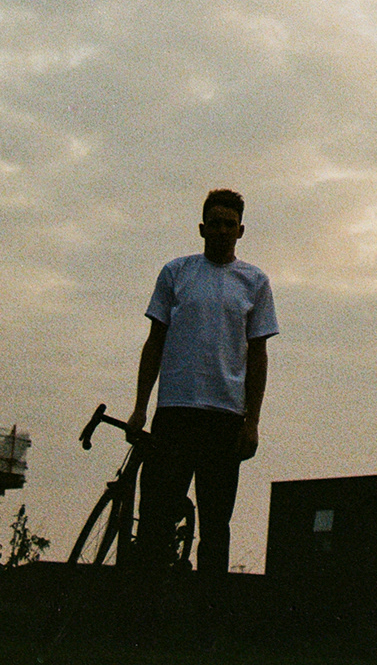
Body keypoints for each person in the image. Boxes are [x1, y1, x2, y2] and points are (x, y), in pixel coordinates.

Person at [128, 185, 278, 577]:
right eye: (215, 223)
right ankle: (146, 603)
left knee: (215, 523)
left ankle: (210, 608)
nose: (222, 231)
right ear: (202, 228)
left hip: (225, 417)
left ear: (240, 231)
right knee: (156, 517)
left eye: (230, 224)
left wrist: (252, 421)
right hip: (175, 411)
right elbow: (155, 342)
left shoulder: (255, 282)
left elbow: (258, 356)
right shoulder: (176, 272)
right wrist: (140, 407)